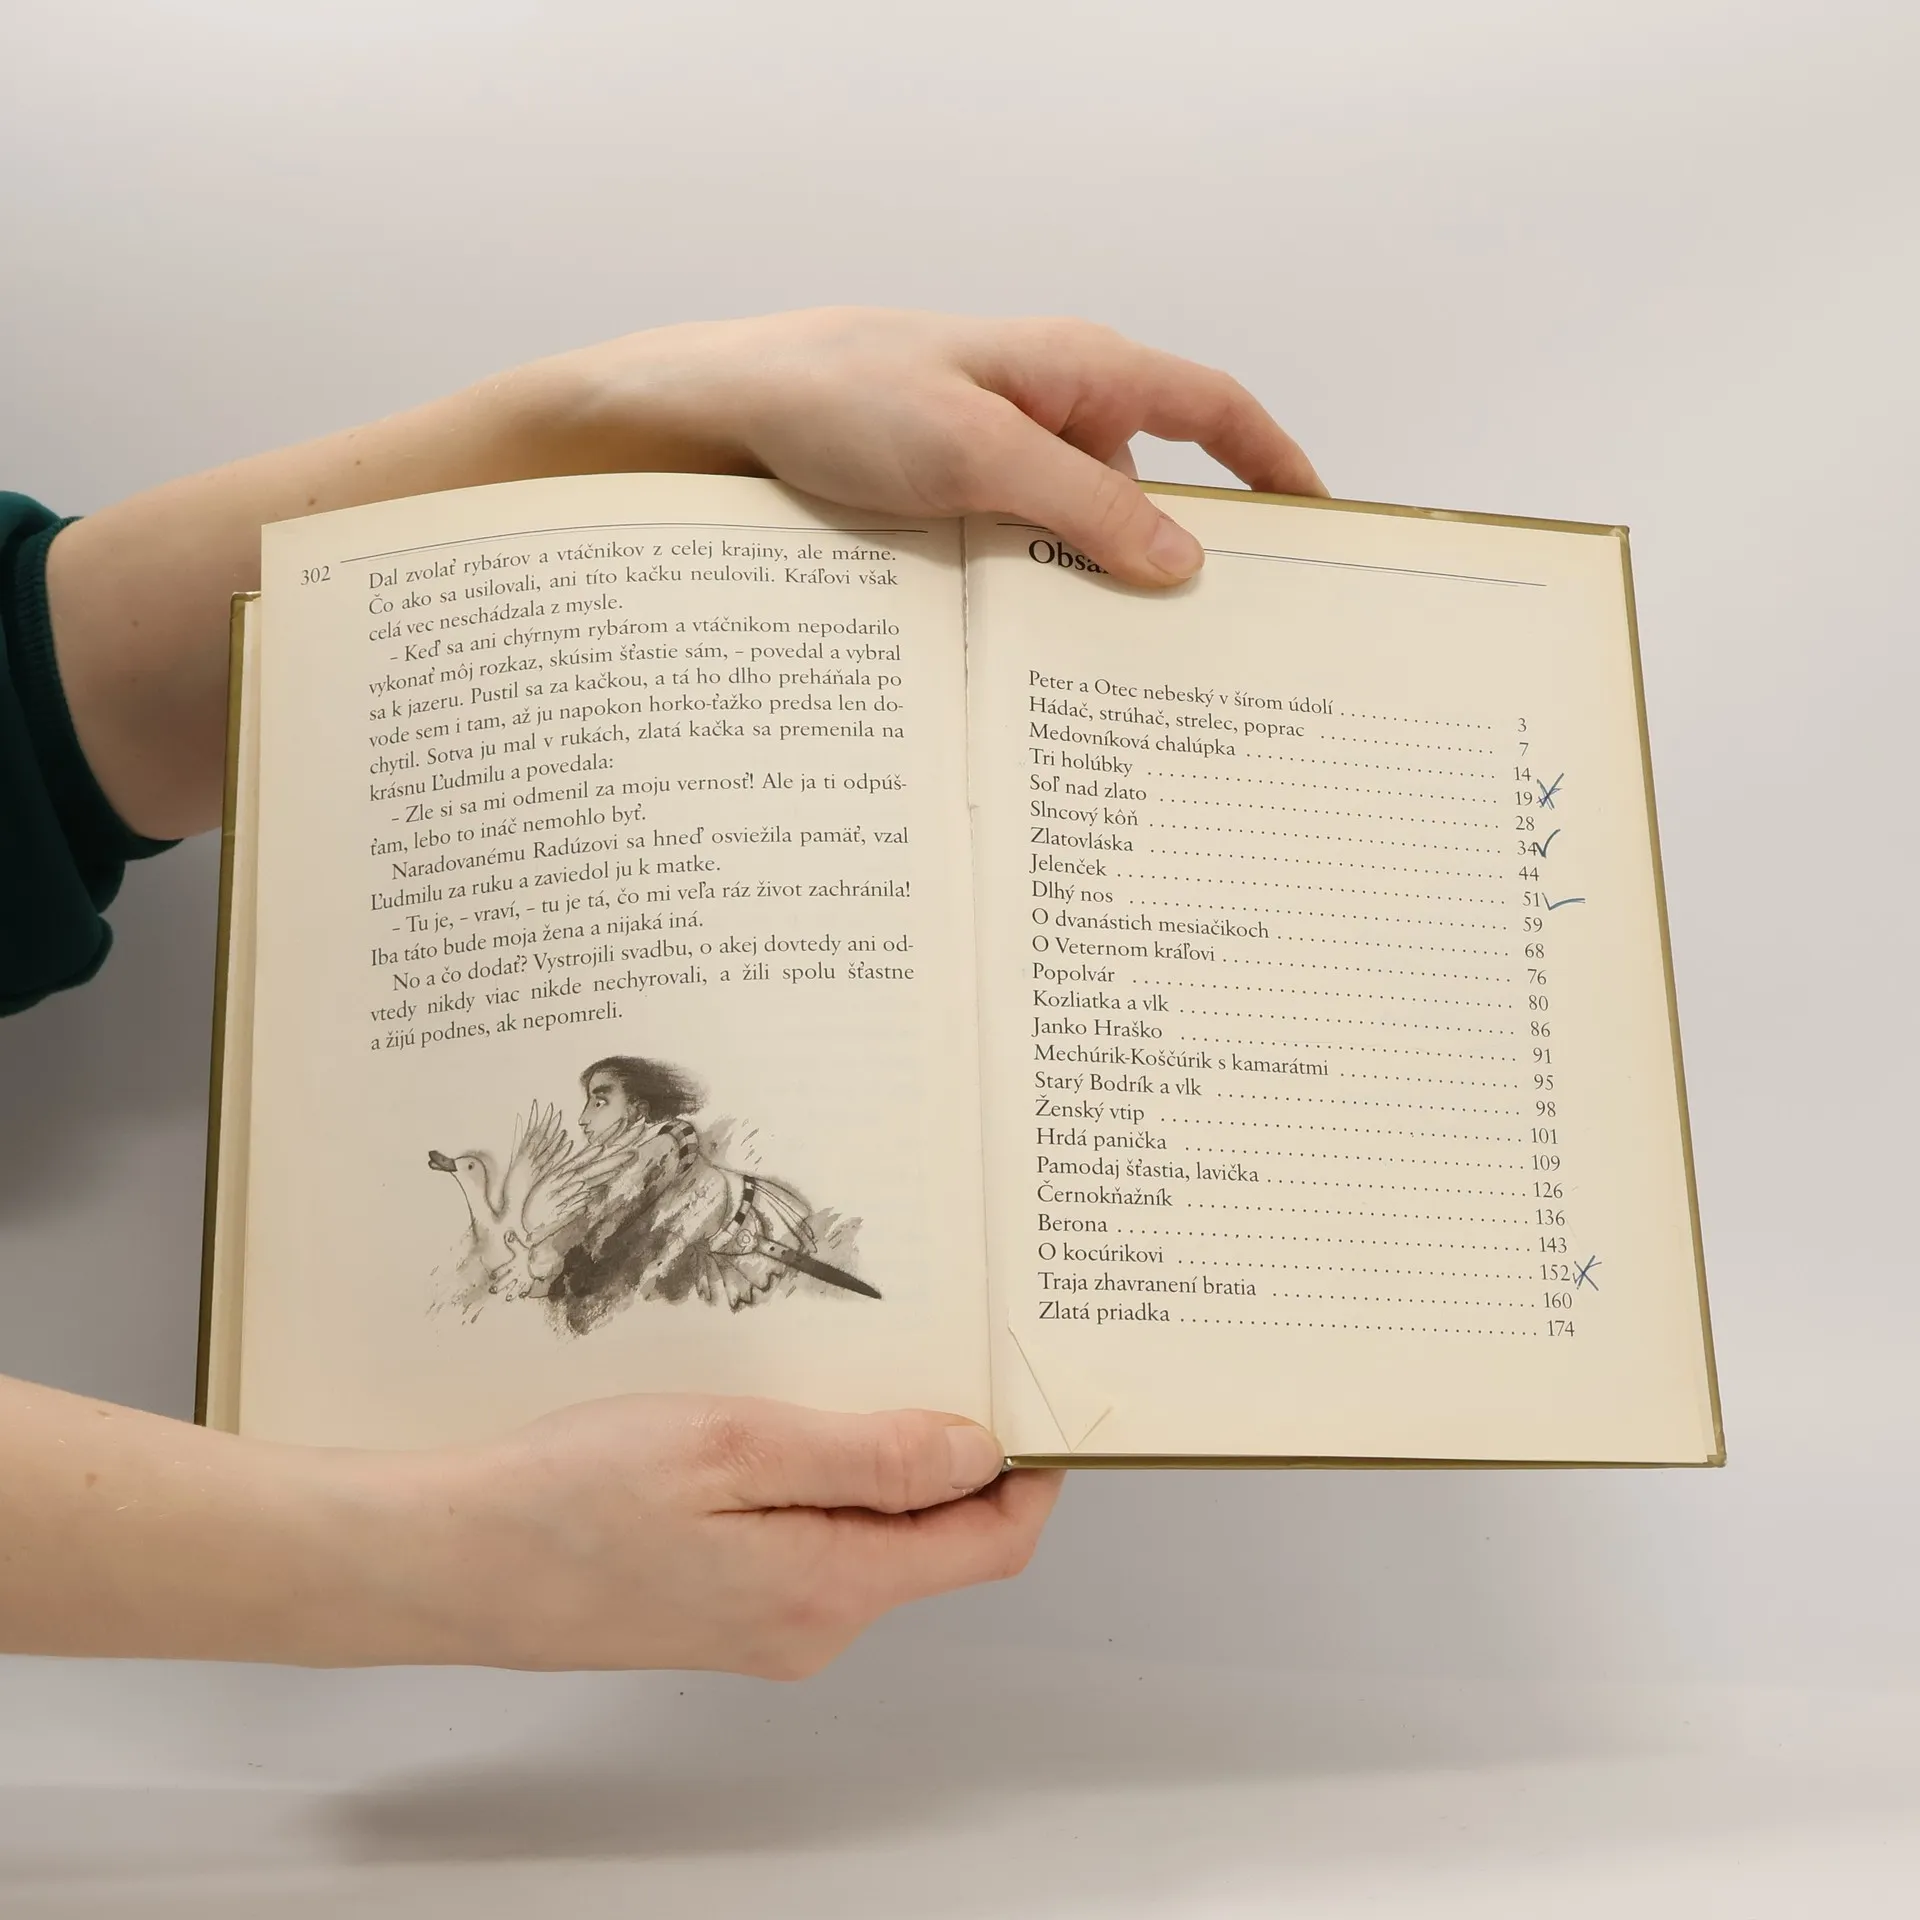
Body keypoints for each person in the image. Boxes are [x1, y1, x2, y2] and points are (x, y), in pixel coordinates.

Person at [0, 307, 1322, 1671]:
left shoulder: (695, 1176)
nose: (595, 1119)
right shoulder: (588, 1177)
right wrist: (423, 1565)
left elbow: (22, 701)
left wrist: (642, 409)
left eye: (610, 1105)